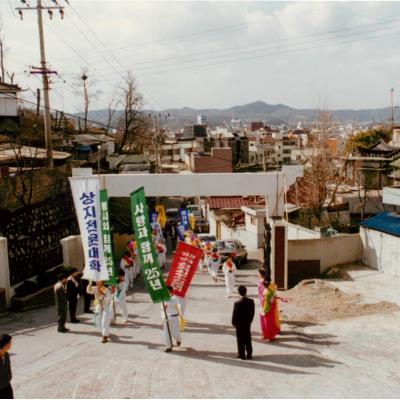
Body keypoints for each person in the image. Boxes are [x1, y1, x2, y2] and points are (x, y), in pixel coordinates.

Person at [232, 285, 255, 360]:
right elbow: (252, 312)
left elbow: (235, 315)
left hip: (239, 324)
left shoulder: (237, 303)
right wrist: (250, 320)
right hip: (247, 323)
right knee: (248, 338)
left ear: (239, 293)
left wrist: (234, 323)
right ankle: (249, 354)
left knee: (240, 339)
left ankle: (241, 354)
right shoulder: (251, 301)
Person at [161, 286, 182, 352]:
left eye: (168, 291)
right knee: (166, 333)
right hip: (166, 317)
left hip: (174, 317)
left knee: (175, 333)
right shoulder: (164, 298)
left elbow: (170, 304)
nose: (166, 292)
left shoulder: (175, 297)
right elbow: (162, 308)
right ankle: (169, 346)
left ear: (171, 291)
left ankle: (178, 339)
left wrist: (163, 300)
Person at [0, 334, 13, 399]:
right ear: (5, 345)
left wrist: (9, 377)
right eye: (10, 342)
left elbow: (8, 368)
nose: (11, 344)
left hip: (6, 384)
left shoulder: (6, 354)